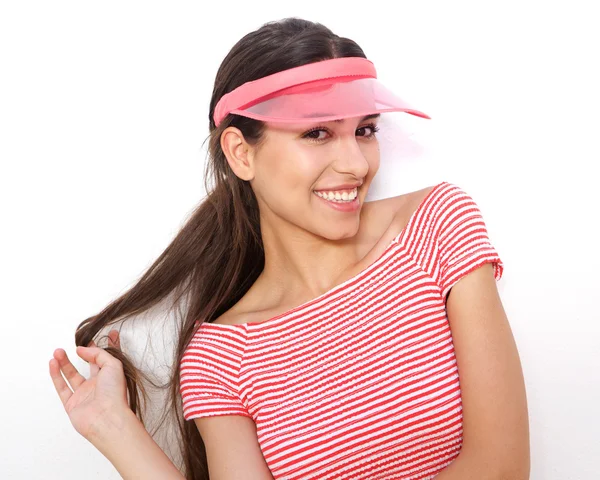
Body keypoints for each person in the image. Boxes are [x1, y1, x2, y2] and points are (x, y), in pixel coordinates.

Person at [48, 17, 529, 480]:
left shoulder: (437, 226)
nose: (356, 164)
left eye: (365, 130)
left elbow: (503, 469)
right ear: (241, 153)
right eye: (317, 133)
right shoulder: (220, 356)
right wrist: (113, 429)